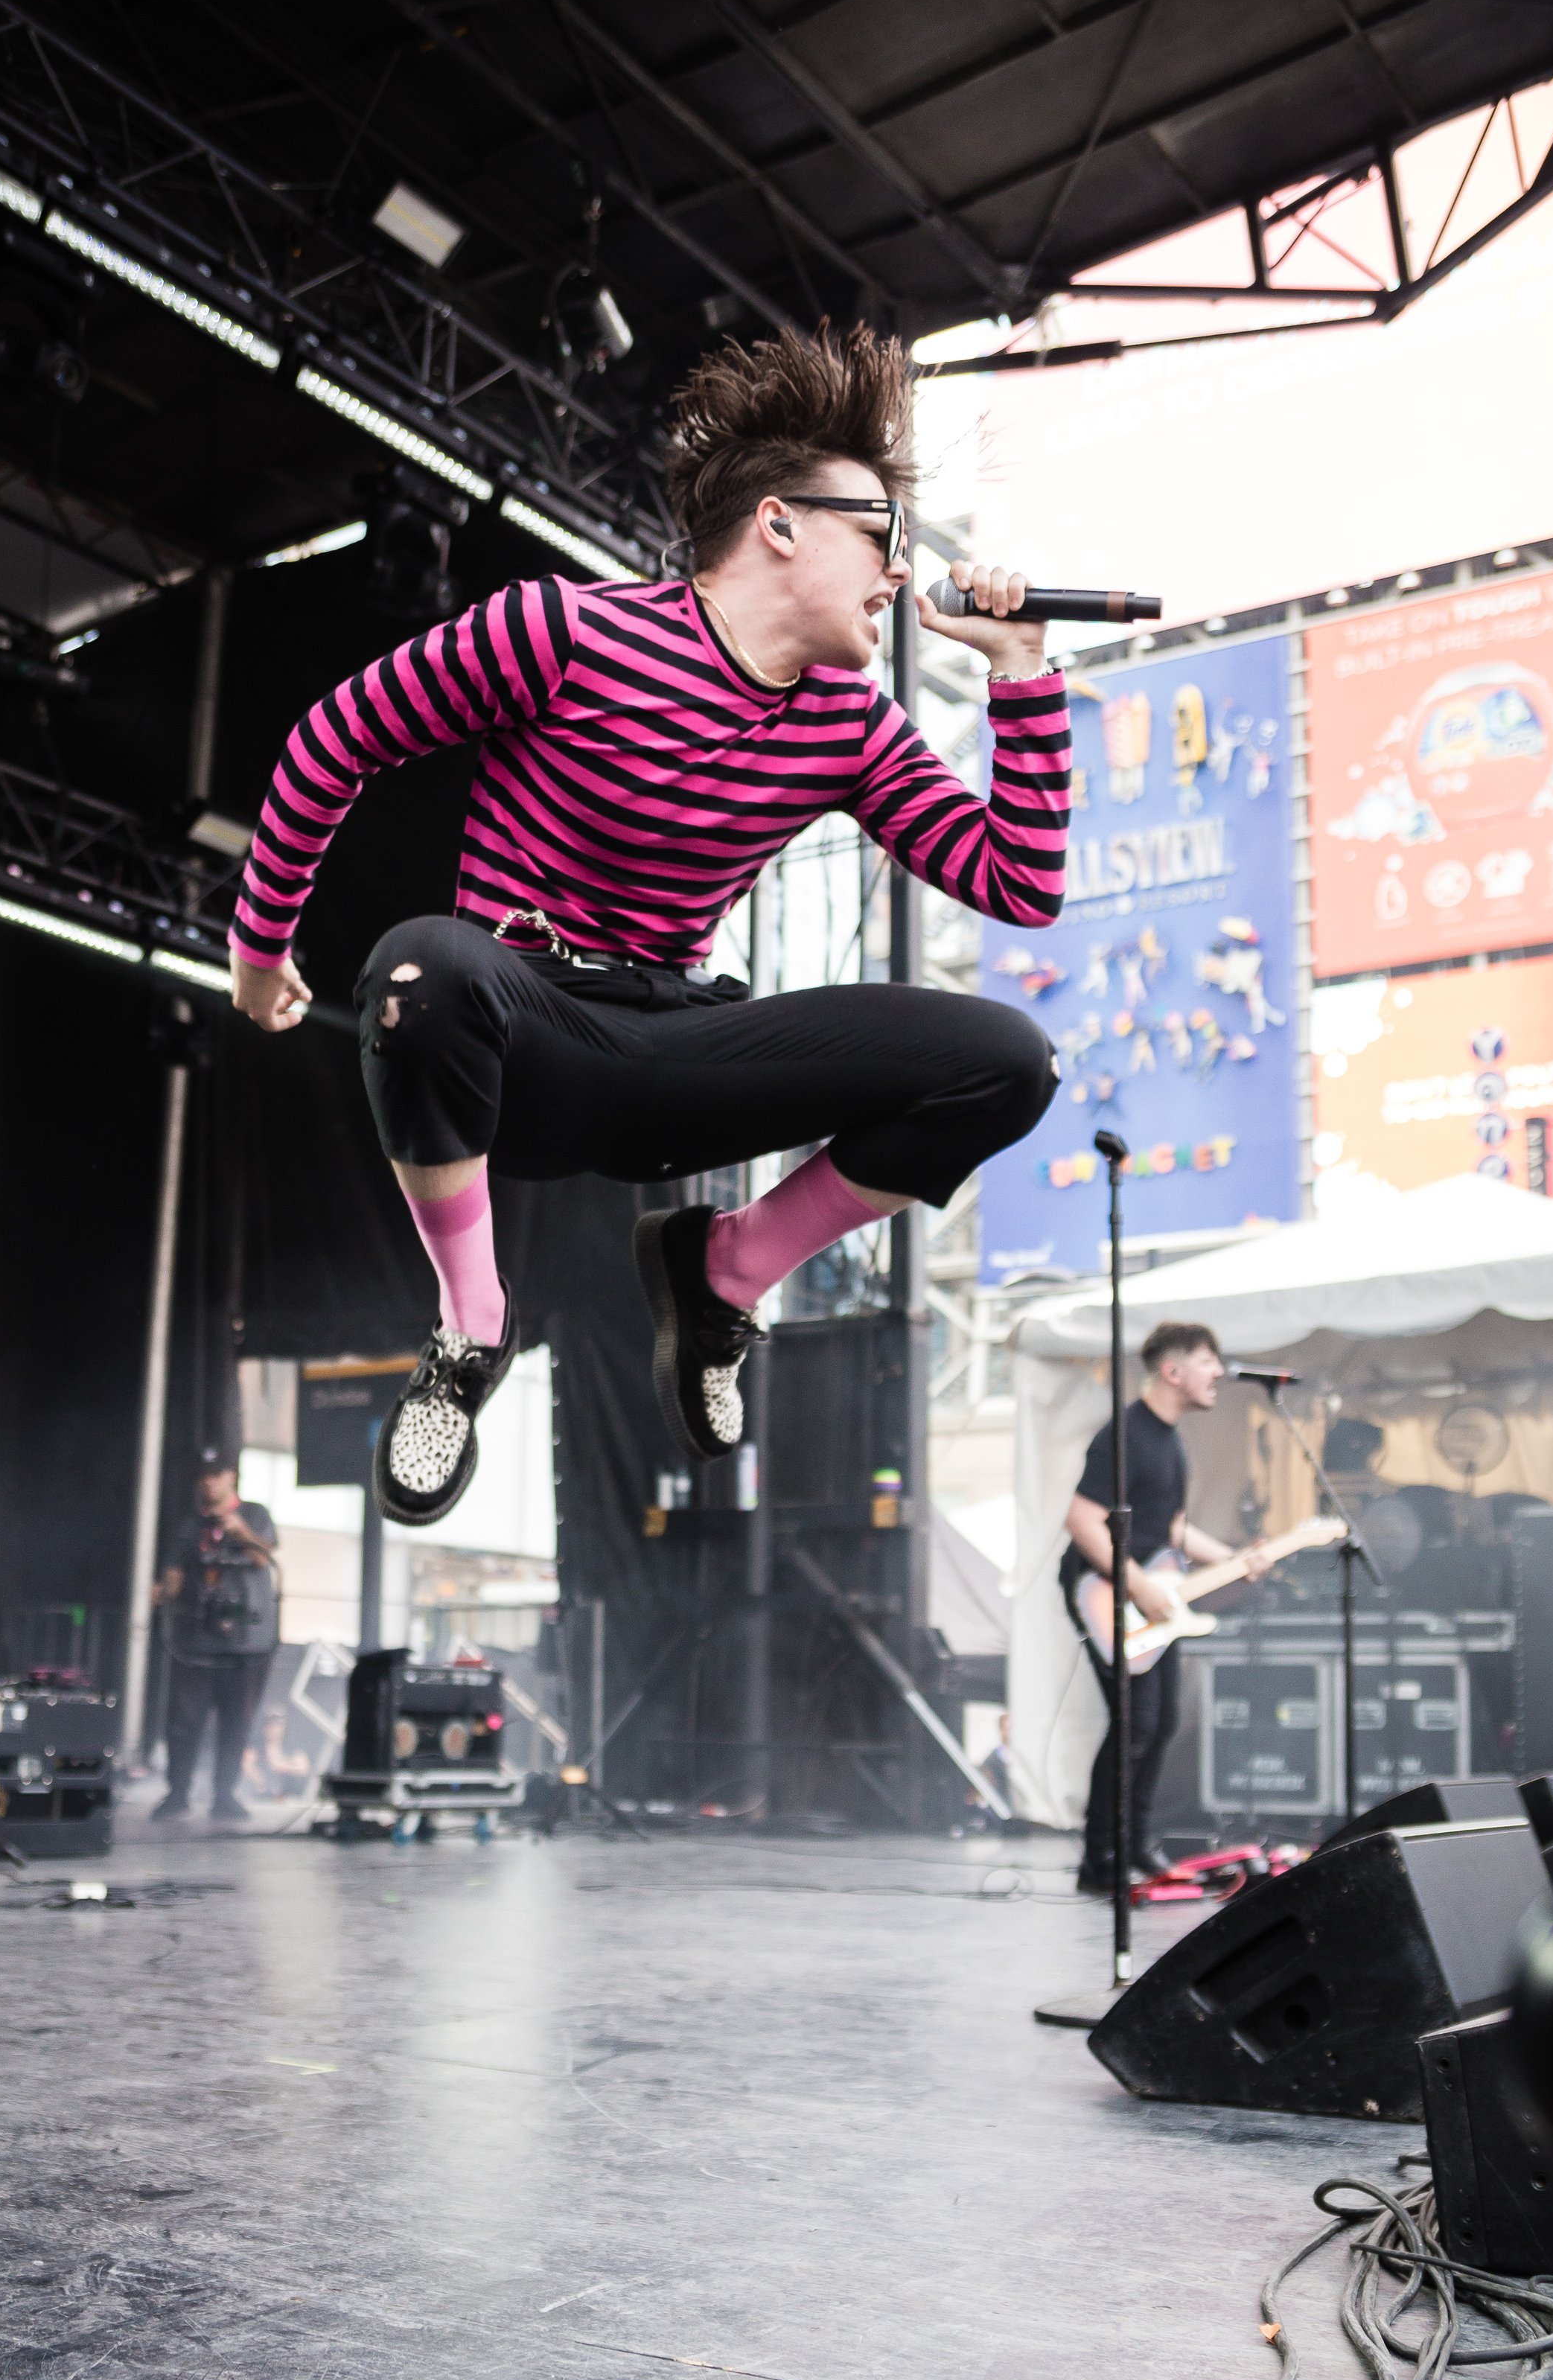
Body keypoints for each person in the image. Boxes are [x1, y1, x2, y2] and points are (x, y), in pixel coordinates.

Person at [230, 322, 1071, 1525]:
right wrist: (260, 952)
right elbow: (335, 739)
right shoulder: (566, 633)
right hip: (528, 1037)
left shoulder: (849, 723)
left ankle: (724, 1271)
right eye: (879, 536)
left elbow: (1020, 881)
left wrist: (1023, 673)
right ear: (778, 521)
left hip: (678, 1047)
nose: (898, 574)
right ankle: (471, 1327)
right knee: (418, 972)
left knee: (1008, 1063)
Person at [1059, 1321, 1272, 1896]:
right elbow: (1082, 1520)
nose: (1220, 1374)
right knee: (1135, 1724)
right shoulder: (1122, 1435)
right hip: (1106, 1592)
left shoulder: (1172, 1444)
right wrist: (1134, 1584)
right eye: (1208, 1362)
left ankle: (1137, 1844)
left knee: (1161, 1724)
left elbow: (1170, 1528)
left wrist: (1232, 1558)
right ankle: (1099, 1858)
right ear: (1172, 1371)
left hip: (1153, 1593)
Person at [153, 1449, 279, 1824]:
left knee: (236, 1720)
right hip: (196, 1639)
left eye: (217, 1475)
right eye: (204, 1477)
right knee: (185, 1719)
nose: (210, 1482)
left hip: (245, 1640)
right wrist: (164, 1589)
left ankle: (225, 1794)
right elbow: (172, 1574)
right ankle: (178, 1793)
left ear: (231, 1478)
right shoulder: (189, 1526)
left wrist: (239, 1530)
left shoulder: (255, 1515)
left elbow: (264, 1558)